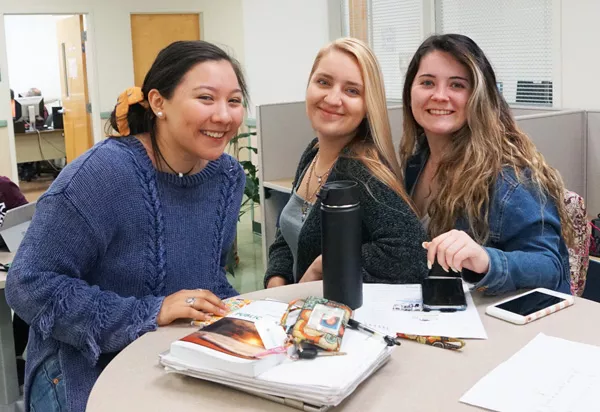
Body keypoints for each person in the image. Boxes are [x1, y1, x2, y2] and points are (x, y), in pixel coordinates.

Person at [6, 40, 247, 412]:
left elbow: (207, 274)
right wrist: (147, 314)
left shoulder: (228, 176)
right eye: (205, 98)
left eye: (234, 101)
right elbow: (29, 283)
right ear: (158, 102)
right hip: (80, 365)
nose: (224, 115)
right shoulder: (103, 175)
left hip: (177, 356)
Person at [400, 34, 574, 295]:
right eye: (427, 82)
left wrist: (485, 259)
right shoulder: (415, 162)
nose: (439, 96)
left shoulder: (508, 178)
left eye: (457, 85)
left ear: (479, 97)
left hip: (503, 326)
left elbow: (550, 267)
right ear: (410, 92)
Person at [265, 38, 427, 289]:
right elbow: (288, 233)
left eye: (352, 90)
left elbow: (411, 254)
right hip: (299, 312)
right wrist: (278, 282)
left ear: (367, 105)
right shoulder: (314, 153)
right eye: (323, 82)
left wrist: (328, 263)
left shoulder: (361, 169)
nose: (332, 98)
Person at [0, 176, 29, 386]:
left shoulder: (4, 187)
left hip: (11, 260)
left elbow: (30, 222)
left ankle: (14, 357)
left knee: (30, 292)